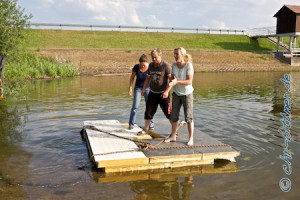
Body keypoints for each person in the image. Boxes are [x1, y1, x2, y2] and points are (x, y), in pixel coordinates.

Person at [164, 47, 194, 146]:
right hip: (176, 93)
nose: (175, 55)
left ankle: (190, 138)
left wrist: (177, 82)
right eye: (174, 53)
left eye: (177, 54)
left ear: (182, 55)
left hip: (187, 94)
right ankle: (173, 136)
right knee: (173, 117)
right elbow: (172, 81)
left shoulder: (188, 65)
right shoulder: (174, 65)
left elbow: (189, 81)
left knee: (188, 117)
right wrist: (167, 91)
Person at [138, 48, 172, 135]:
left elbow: (171, 80)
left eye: (155, 57)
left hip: (163, 93)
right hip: (153, 93)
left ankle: (174, 131)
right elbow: (148, 78)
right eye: (152, 57)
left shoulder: (165, 66)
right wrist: (144, 89)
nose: (154, 59)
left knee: (169, 113)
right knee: (148, 111)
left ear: (160, 56)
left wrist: (167, 91)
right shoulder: (151, 65)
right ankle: (146, 129)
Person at [128, 54, 154, 130]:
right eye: (141, 64)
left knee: (149, 106)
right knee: (135, 106)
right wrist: (130, 88)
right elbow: (132, 78)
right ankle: (131, 123)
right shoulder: (136, 67)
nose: (143, 66)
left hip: (148, 88)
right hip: (138, 88)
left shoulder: (150, 67)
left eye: (144, 64)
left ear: (147, 63)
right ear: (139, 63)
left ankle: (151, 124)